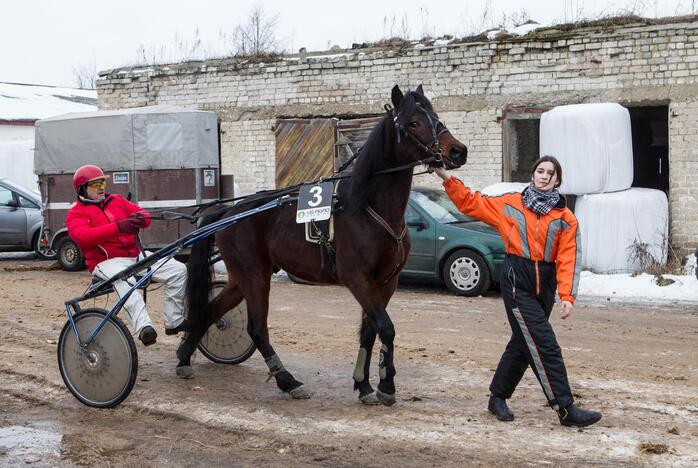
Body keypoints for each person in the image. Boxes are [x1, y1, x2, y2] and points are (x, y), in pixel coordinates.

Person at [431, 156, 602, 427]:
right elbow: (471, 202)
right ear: (533, 174)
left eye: (551, 173)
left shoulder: (566, 219)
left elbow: (569, 259)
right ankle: (565, 408)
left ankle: (497, 396)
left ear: (558, 180)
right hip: (516, 278)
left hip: (545, 284)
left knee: (524, 342)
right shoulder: (510, 204)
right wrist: (443, 174)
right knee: (544, 344)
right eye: (540, 171)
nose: (544, 176)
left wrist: (567, 296)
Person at [65, 165, 188, 346]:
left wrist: (140, 219)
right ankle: (144, 328)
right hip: (105, 263)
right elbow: (84, 237)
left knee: (178, 269)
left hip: (136, 256)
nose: (101, 188)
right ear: (82, 188)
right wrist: (119, 227)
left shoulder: (117, 200)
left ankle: (173, 320)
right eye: (95, 184)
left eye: (102, 183)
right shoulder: (75, 213)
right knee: (125, 282)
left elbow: (143, 215)